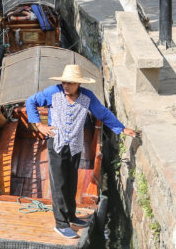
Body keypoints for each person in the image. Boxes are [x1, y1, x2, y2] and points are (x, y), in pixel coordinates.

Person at [25, 64, 137, 239]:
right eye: (64, 82)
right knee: (59, 184)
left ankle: (71, 215)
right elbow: (31, 101)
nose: (66, 86)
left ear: (78, 84)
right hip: (57, 143)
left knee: (71, 181)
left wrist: (121, 129)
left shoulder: (87, 97)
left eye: (70, 83)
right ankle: (61, 223)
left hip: (75, 145)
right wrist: (40, 126)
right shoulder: (52, 92)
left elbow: (103, 114)